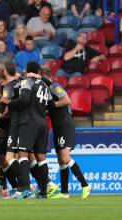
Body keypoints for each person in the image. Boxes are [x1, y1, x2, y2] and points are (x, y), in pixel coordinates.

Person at [40, 66, 91, 199]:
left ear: (44, 77)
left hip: (64, 125)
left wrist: (53, 105)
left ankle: (85, 185)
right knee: (60, 160)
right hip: (57, 127)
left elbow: (67, 100)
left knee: (64, 157)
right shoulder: (45, 92)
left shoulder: (54, 86)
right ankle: (64, 192)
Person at [3, 61, 51, 198]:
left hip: (29, 122)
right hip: (43, 123)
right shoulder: (43, 84)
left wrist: (9, 102)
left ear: (27, 70)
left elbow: (24, 99)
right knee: (41, 157)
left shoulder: (27, 82)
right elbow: (48, 105)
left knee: (23, 154)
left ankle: (25, 190)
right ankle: (43, 191)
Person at [0, 61, 23, 197]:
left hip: (12, 127)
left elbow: (5, 111)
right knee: (1, 160)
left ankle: (24, 185)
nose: (0, 85)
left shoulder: (10, 88)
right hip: (2, 130)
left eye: (1, 82)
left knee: (15, 158)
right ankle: (12, 187)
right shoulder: (3, 90)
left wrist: (0, 99)